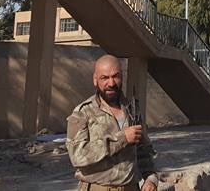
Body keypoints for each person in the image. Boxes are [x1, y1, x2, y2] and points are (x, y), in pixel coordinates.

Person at [67, 54, 157, 191]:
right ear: (95, 80)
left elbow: (142, 150)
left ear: (122, 77)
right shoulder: (82, 113)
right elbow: (77, 156)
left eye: (116, 76)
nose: (111, 83)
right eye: (104, 78)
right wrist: (122, 138)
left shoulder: (132, 109)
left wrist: (151, 178)